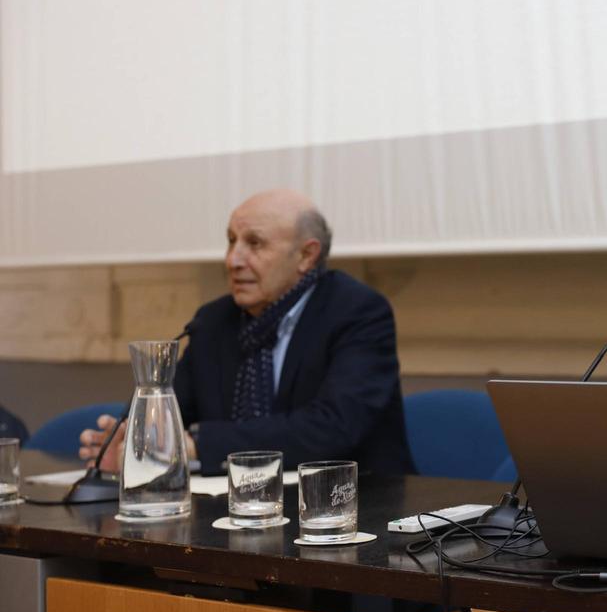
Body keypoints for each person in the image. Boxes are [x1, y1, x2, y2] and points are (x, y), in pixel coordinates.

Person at [80, 189, 413, 476]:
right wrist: (139, 439)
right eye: (230, 241)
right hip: (233, 512)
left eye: (254, 243)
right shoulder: (212, 321)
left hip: (356, 510)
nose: (233, 260)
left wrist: (195, 444)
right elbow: (177, 414)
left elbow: (332, 428)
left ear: (306, 255)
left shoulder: (357, 312)